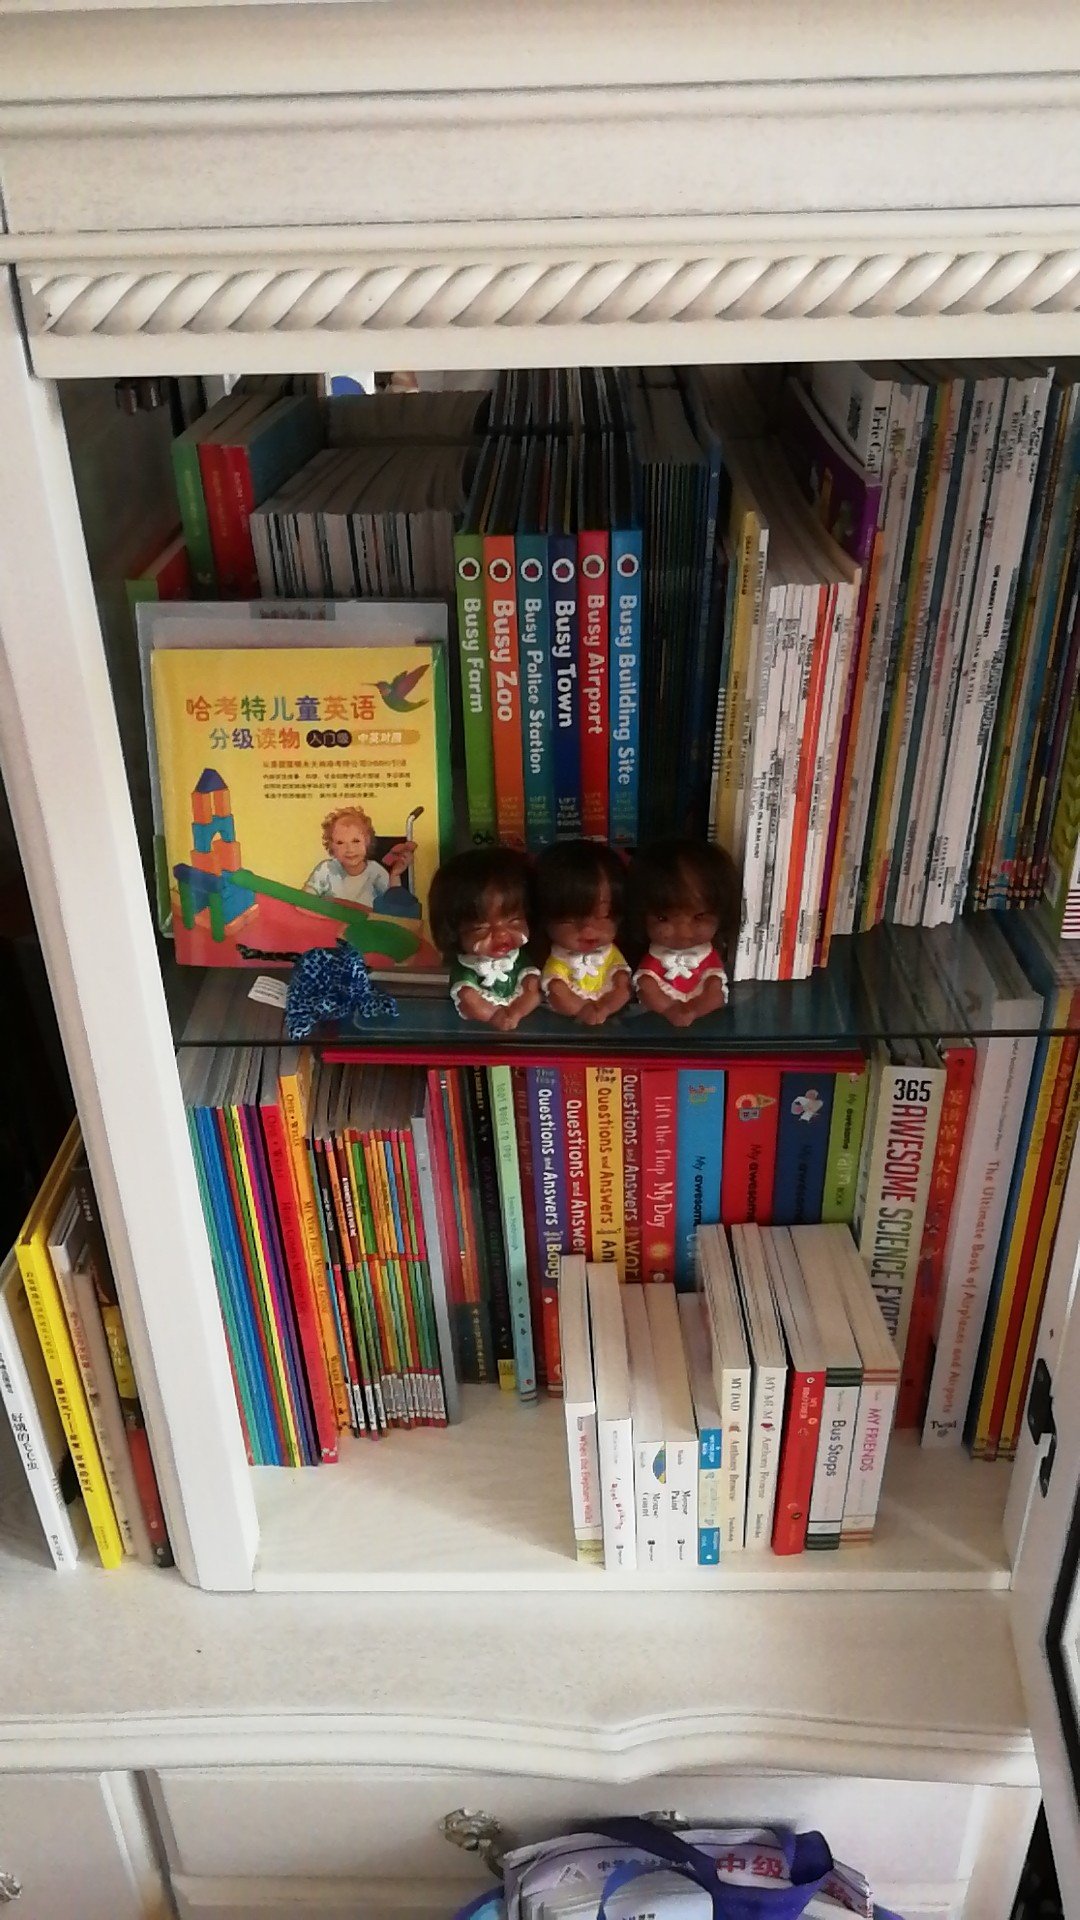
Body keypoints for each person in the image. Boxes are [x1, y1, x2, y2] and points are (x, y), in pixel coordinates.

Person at [629, 837, 740, 1028]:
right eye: (663, 918)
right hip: (656, 1017)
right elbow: (647, 983)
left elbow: (714, 985)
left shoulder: (709, 954)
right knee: (647, 986)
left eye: (699, 917)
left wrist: (695, 1010)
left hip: (703, 1015)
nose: (683, 932)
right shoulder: (655, 956)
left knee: (714, 988)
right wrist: (668, 1009)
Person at [429, 847, 541, 1030]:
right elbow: (468, 998)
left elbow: (533, 991)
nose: (501, 934)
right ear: (453, 930)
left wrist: (516, 1013)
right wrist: (494, 1016)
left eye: (514, 920)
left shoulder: (520, 959)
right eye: (481, 928)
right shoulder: (467, 967)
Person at [535, 840, 631, 1026]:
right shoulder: (558, 960)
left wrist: (606, 1008)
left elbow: (622, 986)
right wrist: (583, 1010)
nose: (588, 929)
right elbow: (557, 990)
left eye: (603, 915)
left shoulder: (611, 953)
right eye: (570, 920)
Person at [304, 806, 414, 909]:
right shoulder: (326, 869)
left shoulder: (376, 872)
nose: (350, 849)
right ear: (331, 846)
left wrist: (395, 875)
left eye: (356, 841)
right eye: (340, 843)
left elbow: (393, 905)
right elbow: (305, 899)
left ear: (367, 842)